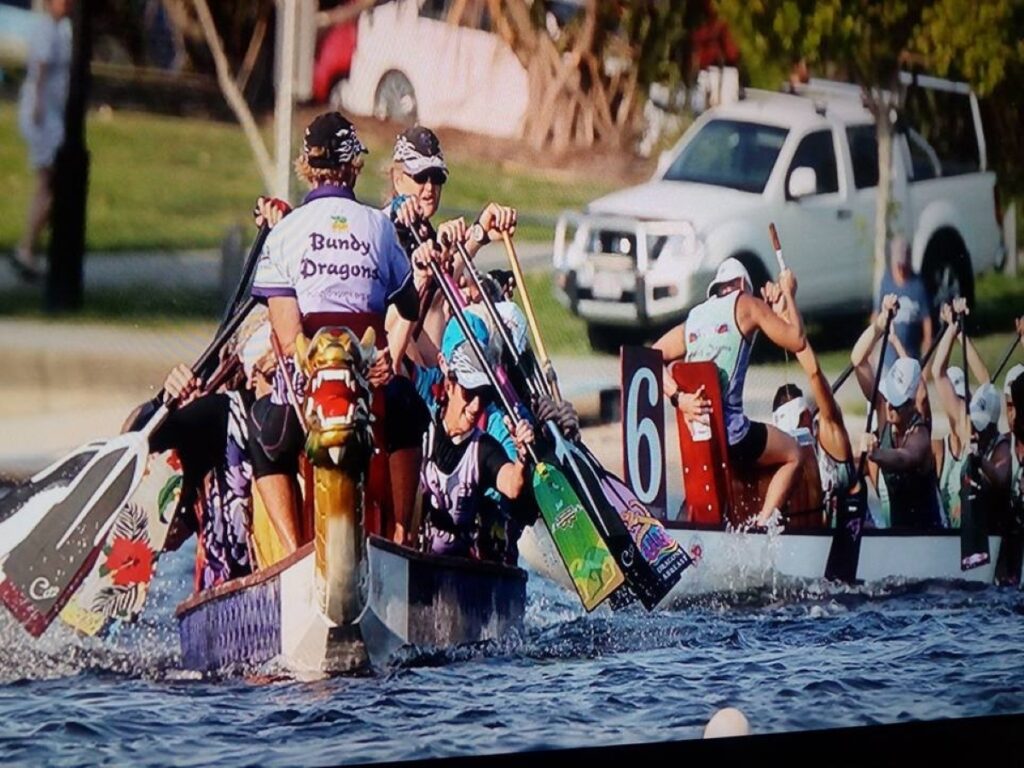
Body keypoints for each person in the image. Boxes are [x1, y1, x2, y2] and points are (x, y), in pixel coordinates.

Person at [249, 111, 429, 551]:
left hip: (310, 392)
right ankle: (403, 538)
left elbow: (288, 334)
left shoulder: (284, 234)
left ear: (306, 167)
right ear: (353, 167)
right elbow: (408, 305)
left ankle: (294, 553)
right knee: (409, 410)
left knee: (263, 435)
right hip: (371, 391)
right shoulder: (380, 228)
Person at [121, 311, 274, 590]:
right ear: (250, 377)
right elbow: (135, 435)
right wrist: (164, 402)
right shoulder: (220, 413)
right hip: (226, 592)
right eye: (273, 377)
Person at [653, 258, 807, 527]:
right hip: (733, 435)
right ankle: (763, 525)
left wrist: (679, 399)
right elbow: (797, 340)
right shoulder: (747, 304)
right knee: (794, 453)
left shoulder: (695, 318)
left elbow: (651, 357)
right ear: (741, 285)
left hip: (699, 438)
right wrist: (790, 295)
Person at [421, 339, 535, 558]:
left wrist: (522, 456)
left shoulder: (484, 448)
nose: (475, 406)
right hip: (418, 556)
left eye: (483, 396)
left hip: (460, 569)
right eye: (469, 393)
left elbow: (512, 485)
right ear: (449, 385)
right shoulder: (422, 429)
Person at [763, 279, 858, 527]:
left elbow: (814, 371)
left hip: (852, 545)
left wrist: (788, 311)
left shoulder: (830, 433)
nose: (793, 437)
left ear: (807, 416)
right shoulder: (784, 459)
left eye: (798, 425)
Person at [12, 0, 73, 281]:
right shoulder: (47, 29)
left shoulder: (63, 29)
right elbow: (40, 68)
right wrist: (37, 105)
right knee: (50, 181)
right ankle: (27, 247)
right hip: (43, 116)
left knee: (54, 183)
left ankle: (31, 248)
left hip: (53, 115)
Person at [930, 299, 993, 527]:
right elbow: (937, 372)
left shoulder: (975, 434)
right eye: (954, 398)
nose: (959, 405)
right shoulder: (937, 449)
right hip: (948, 546)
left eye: (963, 399)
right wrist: (952, 328)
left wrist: (960, 332)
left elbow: (987, 383)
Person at [871, 234, 933, 377]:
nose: (900, 270)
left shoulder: (918, 285)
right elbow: (876, 315)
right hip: (888, 359)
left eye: (903, 265)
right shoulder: (886, 281)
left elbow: (927, 322)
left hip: (911, 357)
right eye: (898, 265)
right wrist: (872, 350)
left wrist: (927, 359)